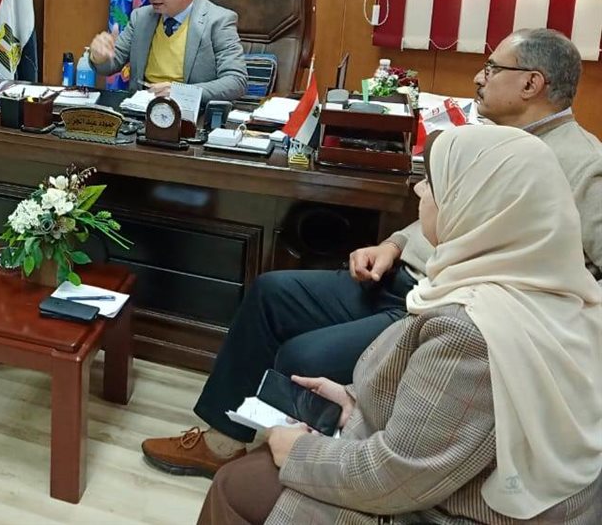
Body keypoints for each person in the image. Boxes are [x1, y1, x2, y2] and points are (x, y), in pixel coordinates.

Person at [142, 27, 601, 478]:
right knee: (270, 293)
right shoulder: (490, 137)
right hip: (398, 277)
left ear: (530, 83)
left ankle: (292, 471)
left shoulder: (585, 165)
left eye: (493, 68)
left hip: (444, 308)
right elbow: (445, 209)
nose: (480, 77)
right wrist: (392, 243)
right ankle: (222, 443)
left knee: (303, 357)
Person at [199, 126, 602, 525]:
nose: (419, 190)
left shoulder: (471, 330)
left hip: (455, 509)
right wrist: (354, 401)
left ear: (473, 207)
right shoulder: (564, 292)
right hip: (455, 481)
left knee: (237, 484)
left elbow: (397, 476)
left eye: (433, 184)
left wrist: (298, 453)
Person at [88, 0, 247, 101]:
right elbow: (110, 66)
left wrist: (181, 92)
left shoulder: (218, 20)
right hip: (140, 108)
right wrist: (99, 58)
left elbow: (236, 81)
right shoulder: (140, 17)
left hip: (190, 113)